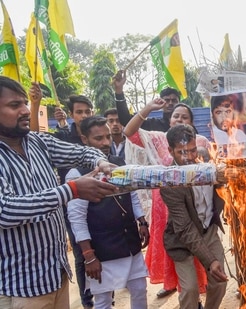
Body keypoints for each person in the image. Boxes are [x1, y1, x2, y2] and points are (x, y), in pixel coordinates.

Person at [0, 77, 118, 309]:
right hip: (22, 288)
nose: (25, 110)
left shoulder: (37, 142)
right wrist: (71, 190)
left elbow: (82, 153)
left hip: (56, 277)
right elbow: (5, 210)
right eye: (15, 105)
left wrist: (101, 162)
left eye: (25, 103)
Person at [124, 99, 209, 300]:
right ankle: (175, 285)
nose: (179, 119)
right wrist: (149, 108)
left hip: (193, 206)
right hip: (164, 206)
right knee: (173, 246)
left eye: (184, 116)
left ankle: (191, 295)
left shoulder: (202, 142)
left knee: (193, 247)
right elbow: (129, 132)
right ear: (169, 120)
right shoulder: (158, 138)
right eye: (176, 115)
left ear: (191, 123)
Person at [67, 116, 150, 309]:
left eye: (107, 137)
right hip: (103, 249)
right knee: (103, 300)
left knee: (139, 289)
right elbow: (77, 220)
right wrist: (89, 256)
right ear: (84, 140)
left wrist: (142, 221)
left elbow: (132, 194)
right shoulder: (77, 174)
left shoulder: (118, 162)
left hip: (130, 242)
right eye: (98, 138)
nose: (105, 143)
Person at [160, 124, 228, 308]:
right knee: (189, 290)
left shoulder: (208, 164)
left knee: (220, 281)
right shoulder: (168, 181)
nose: (189, 157)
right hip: (182, 239)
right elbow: (184, 228)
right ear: (170, 151)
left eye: (192, 150)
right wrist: (210, 261)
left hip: (209, 231)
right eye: (182, 152)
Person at [52, 94, 96, 309]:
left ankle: (104, 292)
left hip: (97, 198)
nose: (84, 115)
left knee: (100, 247)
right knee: (82, 251)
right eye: (79, 112)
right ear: (71, 115)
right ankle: (87, 298)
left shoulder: (96, 134)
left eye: (87, 111)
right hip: (73, 199)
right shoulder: (61, 137)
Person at [112, 69, 180, 132]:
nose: (170, 103)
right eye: (167, 100)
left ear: (179, 103)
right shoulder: (153, 125)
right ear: (161, 102)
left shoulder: (187, 126)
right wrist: (119, 91)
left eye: (174, 100)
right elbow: (126, 121)